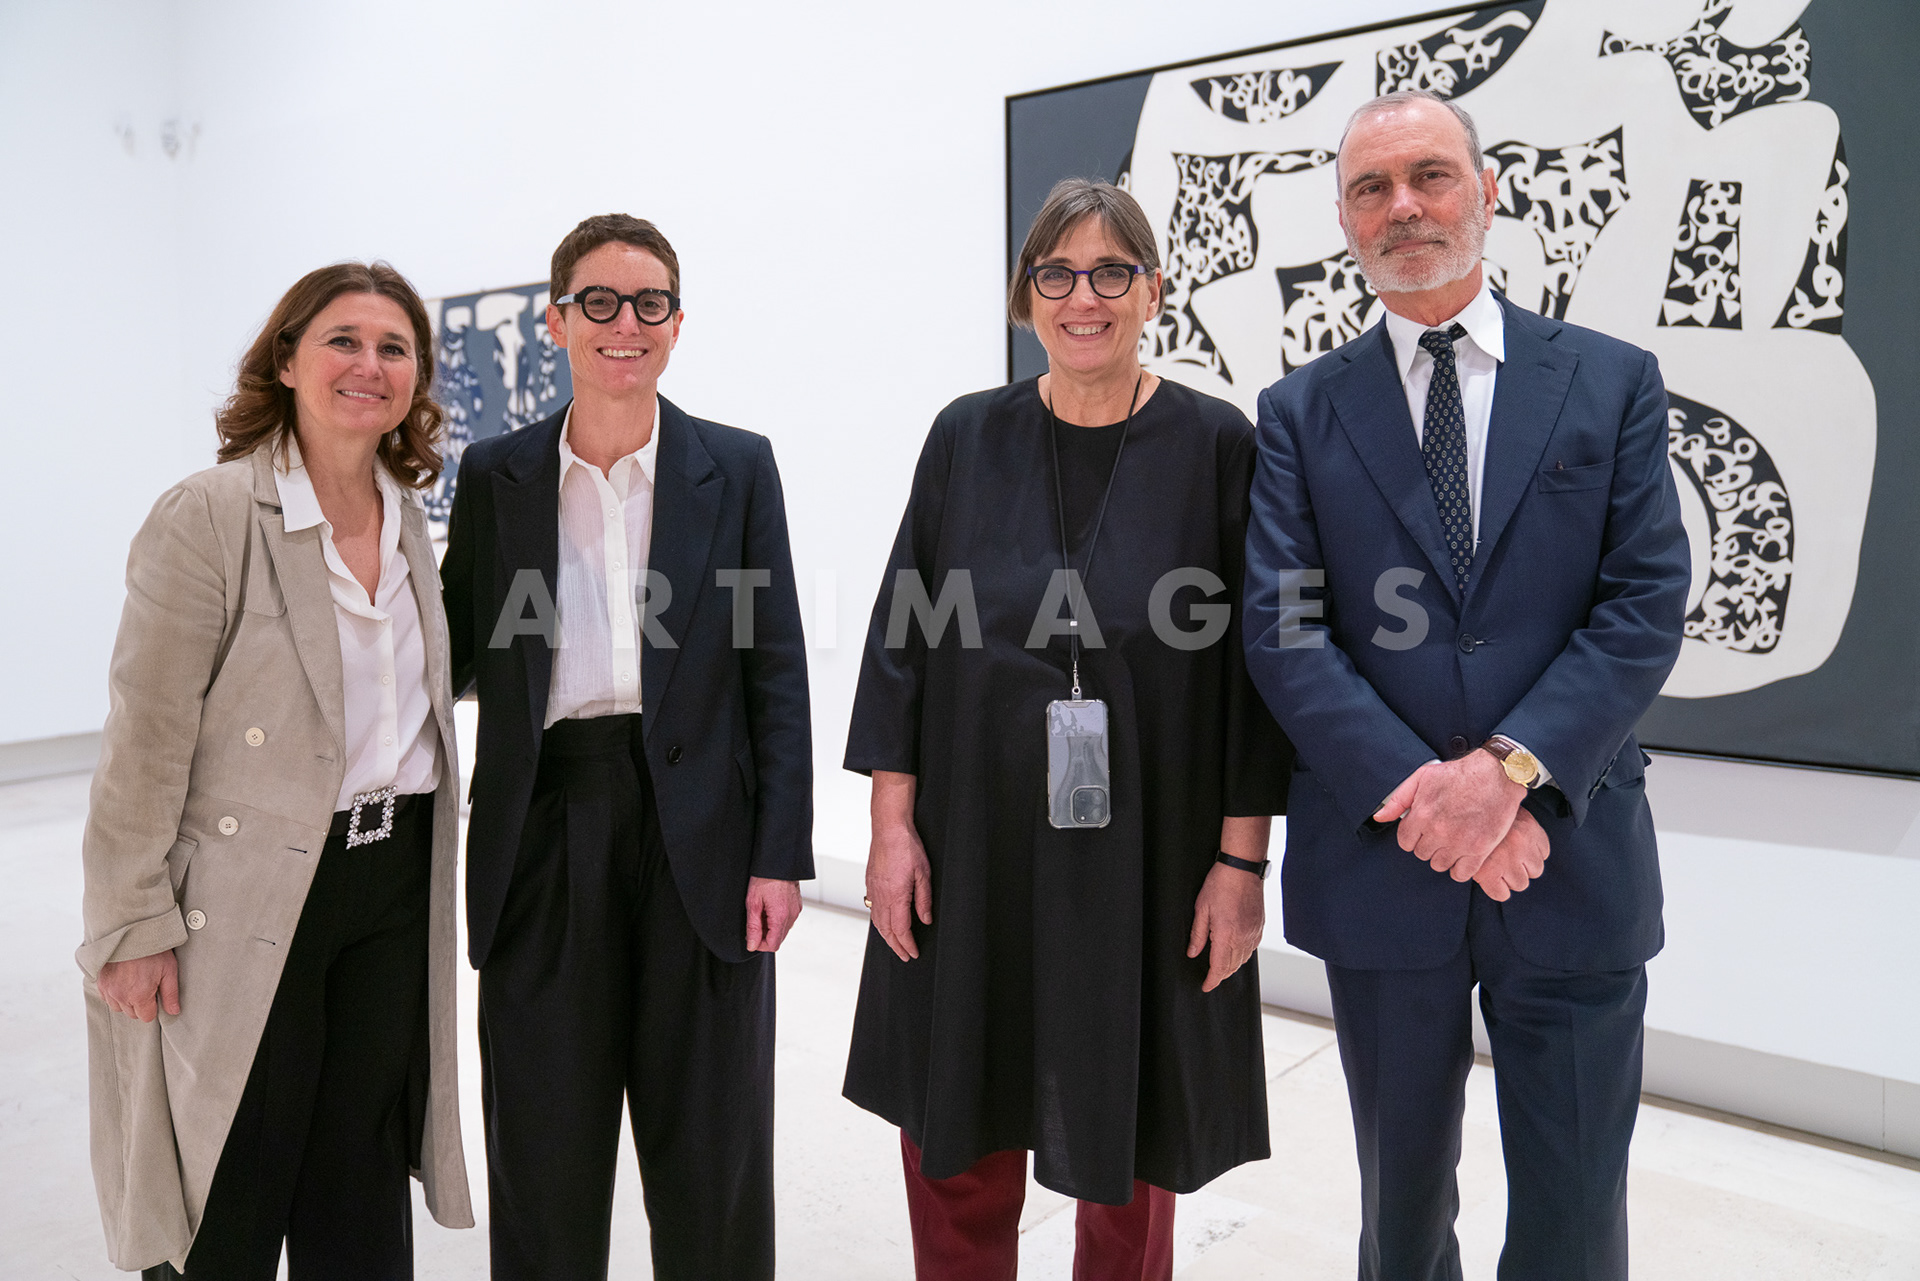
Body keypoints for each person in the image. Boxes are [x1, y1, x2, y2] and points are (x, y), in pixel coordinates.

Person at [1242, 89, 1691, 1280]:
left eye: (1430, 176)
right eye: (1371, 189)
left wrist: (1508, 778)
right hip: (1386, 869)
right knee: (1400, 1218)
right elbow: (1284, 631)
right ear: (1345, 222)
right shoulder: (1295, 412)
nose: (1404, 208)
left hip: (1570, 857)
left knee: (1577, 1212)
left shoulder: (1609, 382)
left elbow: (1644, 606)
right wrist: (1431, 797)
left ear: (1486, 193)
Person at [843, 177, 1292, 1281]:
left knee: (1128, 1135)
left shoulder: (1215, 445)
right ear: (1026, 294)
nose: (1081, 298)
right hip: (974, 837)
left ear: (1153, 292)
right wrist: (891, 830)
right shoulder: (966, 438)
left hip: (1149, 848)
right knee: (958, 1118)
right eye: (1056, 273)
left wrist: (1243, 861)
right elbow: (903, 637)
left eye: (1109, 273)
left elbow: (1254, 675)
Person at [77, 262, 474, 1279]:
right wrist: (129, 924)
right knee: (236, 1175)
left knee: (360, 1176)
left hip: (392, 882)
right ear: (288, 358)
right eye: (344, 339)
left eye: (395, 348)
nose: (370, 365)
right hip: (254, 886)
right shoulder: (208, 515)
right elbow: (144, 736)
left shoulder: (412, 520)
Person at [440, 213, 813, 1281]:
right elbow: (456, 652)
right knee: (544, 1155)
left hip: (700, 833)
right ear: (558, 320)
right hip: (544, 833)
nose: (624, 323)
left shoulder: (735, 470)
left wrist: (780, 851)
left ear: (677, 324)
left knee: (713, 1157)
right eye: (598, 301)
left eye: (649, 303)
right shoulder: (499, 477)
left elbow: (772, 669)